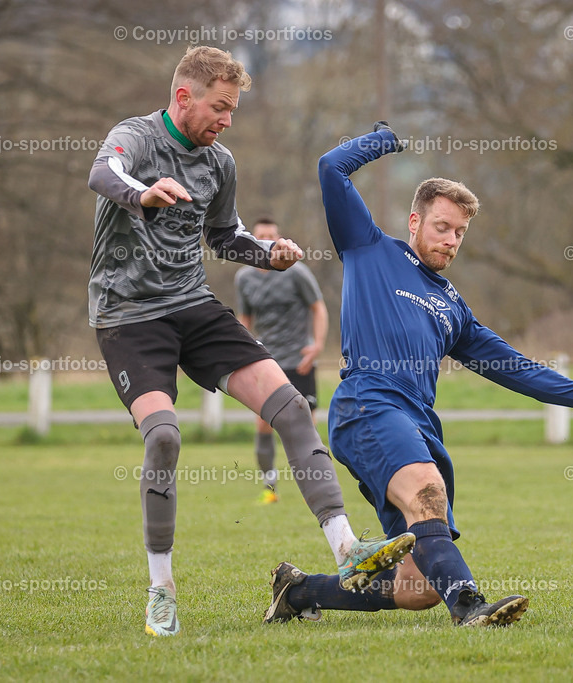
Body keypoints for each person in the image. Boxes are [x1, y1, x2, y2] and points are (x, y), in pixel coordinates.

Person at [263, 123, 573, 627]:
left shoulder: (453, 308)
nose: (451, 240)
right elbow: (331, 168)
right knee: (426, 491)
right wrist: (384, 140)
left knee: (418, 589)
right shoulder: (369, 248)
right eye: (442, 227)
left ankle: (300, 591)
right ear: (415, 221)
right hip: (368, 405)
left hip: (419, 425)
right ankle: (470, 607)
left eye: (460, 233)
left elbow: (521, 371)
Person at [87, 49, 413, 637]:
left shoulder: (220, 162)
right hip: (129, 317)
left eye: (233, 109)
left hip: (192, 305)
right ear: (183, 97)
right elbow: (102, 174)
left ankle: (347, 549)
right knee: (164, 437)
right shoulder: (134, 137)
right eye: (220, 107)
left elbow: (222, 236)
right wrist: (144, 193)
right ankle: (161, 591)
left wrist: (268, 255)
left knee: (291, 407)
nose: (228, 120)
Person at [235, 217, 328, 504]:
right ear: (253, 240)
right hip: (266, 360)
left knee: (305, 426)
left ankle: (317, 487)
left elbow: (318, 308)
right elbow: (245, 319)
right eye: (260, 236)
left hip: (298, 359)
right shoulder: (244, 278)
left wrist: (316, 346)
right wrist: (242, 351)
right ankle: (270, 487)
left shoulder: (296, 272)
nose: (266, 240)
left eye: (271, 236)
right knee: (264, 424)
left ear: (278, 239)